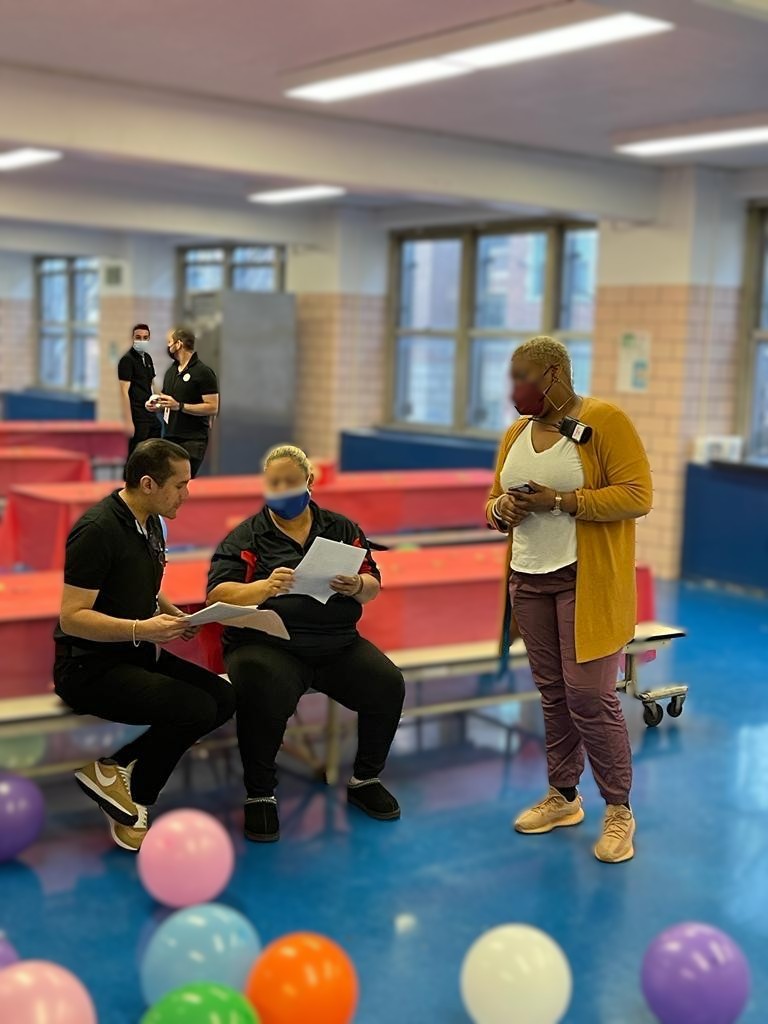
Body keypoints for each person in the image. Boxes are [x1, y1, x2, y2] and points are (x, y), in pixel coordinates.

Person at [486, 336, 652, 864]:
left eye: (526, 377)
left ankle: (619, 808)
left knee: (589, 697)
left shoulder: (604, 421)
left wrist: (560, 500)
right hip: (528, 577)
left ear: (556, 374)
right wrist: (501, 511)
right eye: (513, 377)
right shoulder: (517, 431)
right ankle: (563, 796)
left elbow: (637, 495)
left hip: (585, 578)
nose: (517, 388)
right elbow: (493, 500)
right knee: (553, 694)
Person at [206, 444, 405, 843]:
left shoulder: (342, 529)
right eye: (273, 483)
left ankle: (365, 779)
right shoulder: (247, 535)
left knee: (388, 685)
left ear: (309, 481)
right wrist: (263, 587)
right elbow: (217, 594)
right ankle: (260, 794)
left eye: (289, 481)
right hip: (266, 643)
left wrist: (357, 584)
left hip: (336, 643)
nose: (281, 489)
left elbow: (373, 584)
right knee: (262, 690)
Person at [53, 439, 235, 852]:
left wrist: (175, 615)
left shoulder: (150, 521)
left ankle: (113, 771)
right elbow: (72, 617)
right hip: (87, 667)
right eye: (180, 485)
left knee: (224, 698)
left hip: (135, 652)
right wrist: (144, 629)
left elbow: (144, 584)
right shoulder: (97, 531)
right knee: (194, 708)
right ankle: (137, 800)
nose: (186, 494)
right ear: (149, 484)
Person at [153, 327, 219, 478]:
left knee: (180, 480)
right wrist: (156, 405)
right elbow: (166, 400)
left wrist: (180, 406)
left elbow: (212, 407)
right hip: (170, 437)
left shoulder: (203, 372)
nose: (167, 346)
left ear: (179, 344)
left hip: (192, 440)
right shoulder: (171, 372)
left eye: (169, 342)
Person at [118, 323, 161, 476]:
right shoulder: (127, 360)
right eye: (138, 337)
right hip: (137, 413)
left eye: (145, 338)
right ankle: (129, 479)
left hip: (149, 411)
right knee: (136, 451)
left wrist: (163, 399)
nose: (141, 340)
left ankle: (148, 475)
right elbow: (124, 391)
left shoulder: (147, 358)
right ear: (132, 338)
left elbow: (152, 383)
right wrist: (128, 420)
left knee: (154, 446)